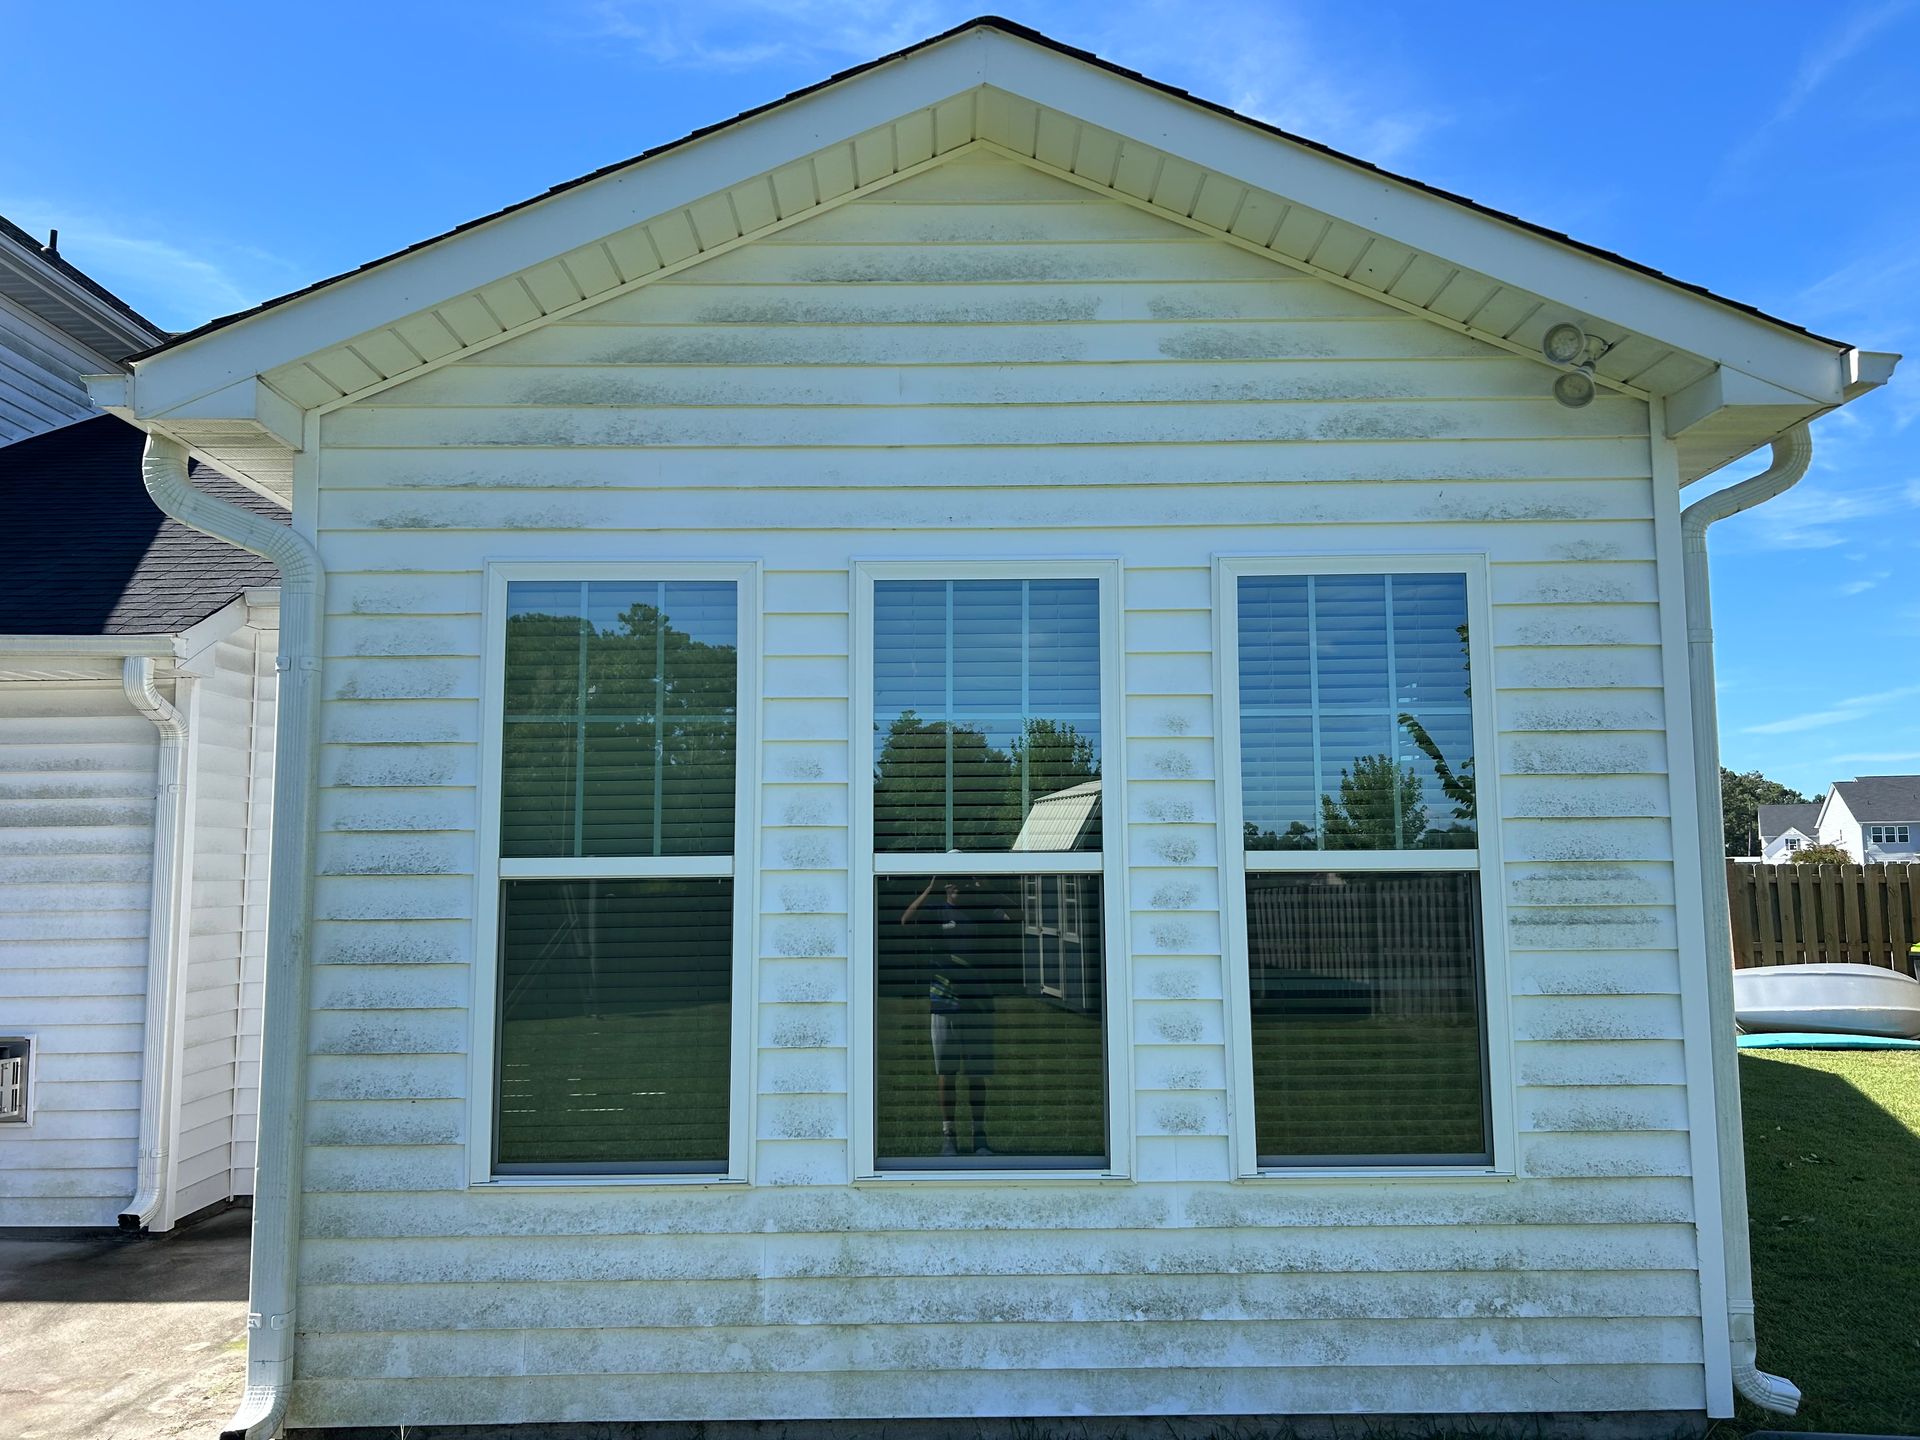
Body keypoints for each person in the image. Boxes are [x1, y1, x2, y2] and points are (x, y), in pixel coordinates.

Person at [899, 876, 1002, 1157]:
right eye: (951, 881)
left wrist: (988, 888)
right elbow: (906, 921)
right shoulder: (936, 911)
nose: (958, 886)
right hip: (944, 1003)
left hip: (978, 1004)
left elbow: (1016, 915)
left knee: (976, 1073)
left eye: (963, 881)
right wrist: (929, 888)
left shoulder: (980, 910)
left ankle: (979, 1137)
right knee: (946, 1072)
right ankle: (949, 1137)